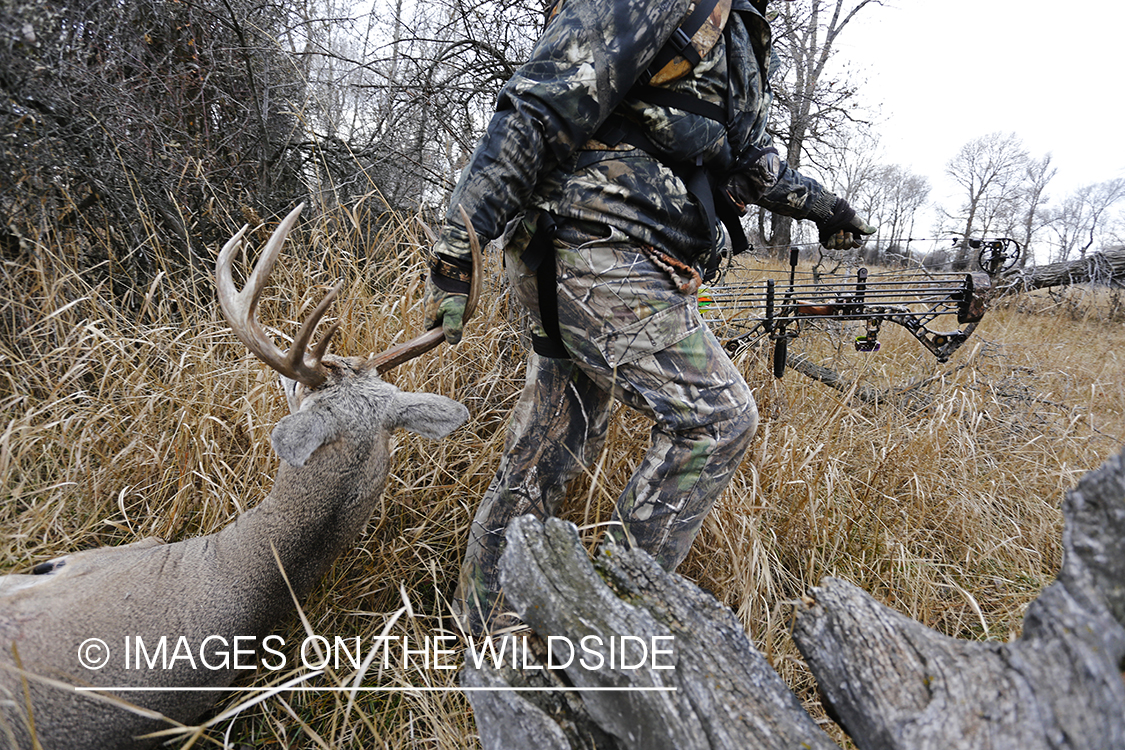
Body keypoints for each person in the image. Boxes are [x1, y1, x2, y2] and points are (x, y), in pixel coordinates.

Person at [423, 0, 875, 635]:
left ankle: (482, 640)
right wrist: (457, 247)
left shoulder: (738, 22)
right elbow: (540, 101)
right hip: (597, 251)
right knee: (716, 423)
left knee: (549, 447)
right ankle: (601, 636)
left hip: (596, 255)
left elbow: (749, 158)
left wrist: (827, 209)